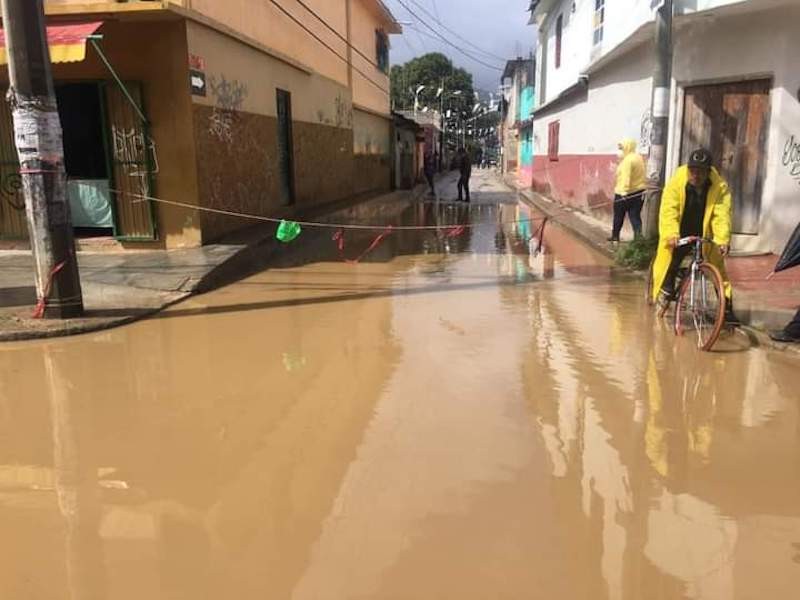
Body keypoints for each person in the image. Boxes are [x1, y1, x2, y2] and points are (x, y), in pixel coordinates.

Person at [651, 148, 739, 325]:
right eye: (693, 171)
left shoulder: (719, 187)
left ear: (709, 172)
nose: (696, 175)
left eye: (701, 172)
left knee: (718, 270)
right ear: (688, 169)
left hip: (705, 230)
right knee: (670, 258)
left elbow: (721, 215)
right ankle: (666, 289)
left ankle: (726, 309)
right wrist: (671, 234)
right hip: (679, 229)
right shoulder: (677, 181)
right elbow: (669, 210)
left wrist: (722, 239)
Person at [609, 138, 647, 242]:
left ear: (628, 147)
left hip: (624, 194)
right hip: (638, 193)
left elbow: (626, 177)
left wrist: (624, 193)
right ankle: (639, 240)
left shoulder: (627, 161)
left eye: (622, 148)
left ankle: (615, 237)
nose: (621, 150)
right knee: (635, 217)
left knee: (618, 216)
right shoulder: (639, 158)